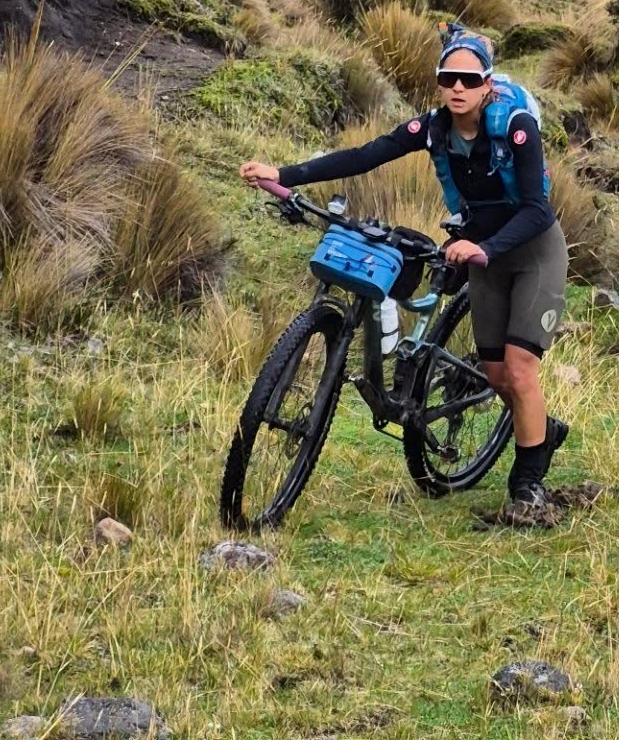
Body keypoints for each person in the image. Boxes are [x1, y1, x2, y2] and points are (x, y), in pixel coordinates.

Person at [240, 25, 570, 519]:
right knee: (498, 376)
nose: (457, 88)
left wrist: (482, 248)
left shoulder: (518, 127)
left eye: (468, 79)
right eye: (447, 78)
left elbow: (538, 211)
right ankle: (541, 428)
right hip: (477, 252)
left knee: (521, 370)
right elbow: (365, 155)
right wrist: (283, 176)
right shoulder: (433, 128)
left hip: (532, 251)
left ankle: (528, 489)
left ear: (487, 84)